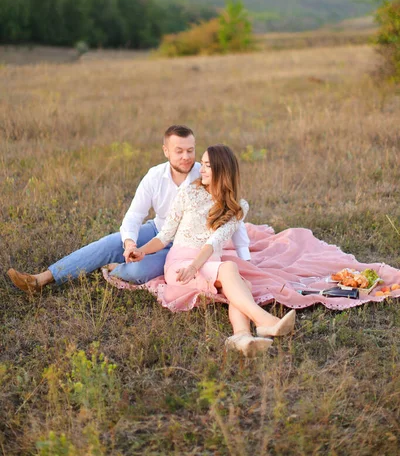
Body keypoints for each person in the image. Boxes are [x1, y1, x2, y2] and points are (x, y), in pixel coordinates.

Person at [7, 126, 251, 294]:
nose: (186, 157)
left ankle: (116, 268)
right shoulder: (154, 176)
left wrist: (244, 255)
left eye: (190, 150)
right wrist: (129, 243)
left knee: (138, 271)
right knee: (106, 244)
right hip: (159, 230)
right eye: (179, 150)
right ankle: (42, 278)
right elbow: (134, 216)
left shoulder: (207, 171)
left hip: (186, 245)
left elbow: (232, 209)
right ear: (166, 151)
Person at [109, 144, 296, 357]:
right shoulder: (189, 193)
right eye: (203, 164)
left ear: (222, 170)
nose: (201, 170)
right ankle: (265, 321)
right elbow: (164, 235)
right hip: (181, 264)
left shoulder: (237, 207)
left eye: (207, 165)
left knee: (241, 284)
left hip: (206, 262)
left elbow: (215, 242)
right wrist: (142, 251)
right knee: (229, 268)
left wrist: (196, 266)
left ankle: (242, 337)